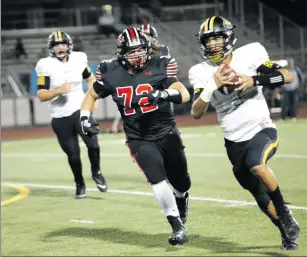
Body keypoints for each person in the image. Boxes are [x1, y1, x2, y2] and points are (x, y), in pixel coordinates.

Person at [189, 16, 300, 251]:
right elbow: (196, 112)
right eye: (209, 40)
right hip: (233, 139)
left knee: (256, 164)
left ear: (228, 37)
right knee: (259, 197)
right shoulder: (199, 72)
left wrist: (254, 79)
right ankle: (285, 230)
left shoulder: (250, 53)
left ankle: (284, 211)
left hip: (260, 127)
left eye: (218, 37)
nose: (214, 44)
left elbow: (287, 76)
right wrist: (212, 86)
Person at [79, 27, 191, 246]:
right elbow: (92, 94)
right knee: (157, 179)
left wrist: (163, 93)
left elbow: (184, 93)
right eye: (132, 51)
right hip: (138, 136)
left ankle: (181, 197)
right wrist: (84, 116)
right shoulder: (111, 72)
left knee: (181, 183)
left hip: (167, 132)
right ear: (121, 54)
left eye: (141, 50)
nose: (138, 55)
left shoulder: (160, 65)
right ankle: (177, 227)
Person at [35, 30, 108, 199]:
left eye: (63, 44)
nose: (60, 48)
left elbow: (90, 80)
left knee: (94, 144)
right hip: (60, 116)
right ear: (51, 48)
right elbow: (41, 95)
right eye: (56, 45)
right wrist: (58, 91)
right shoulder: (45, 65)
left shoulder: (78, 58)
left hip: (81, 109)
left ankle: (96, 172)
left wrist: (94, 98)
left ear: (69, 46)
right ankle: (79, 183)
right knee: (73, 155)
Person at [104, 24, 170, 134]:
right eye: (144, 35)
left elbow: (164, 68)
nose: (146, 37)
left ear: (154, 37)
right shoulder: (134, 50)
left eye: (148, 35)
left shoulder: (161, 50)